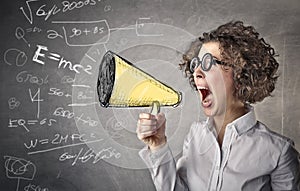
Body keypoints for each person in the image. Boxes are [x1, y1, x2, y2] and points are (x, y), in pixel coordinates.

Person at [136, 21, 300, 191]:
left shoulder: (279, 151)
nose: (197, 71)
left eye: (209, 63)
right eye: (196, 64)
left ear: (241, 74)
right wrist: (158, 145)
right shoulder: (195, 135)